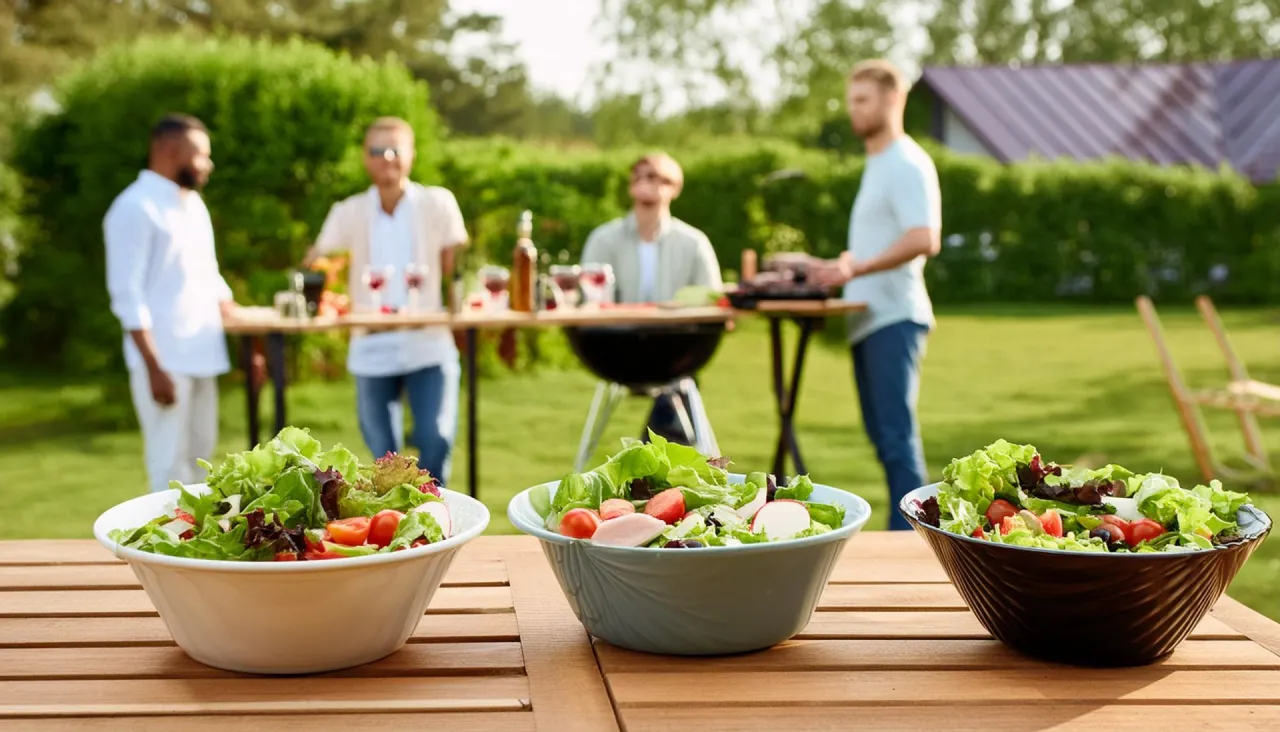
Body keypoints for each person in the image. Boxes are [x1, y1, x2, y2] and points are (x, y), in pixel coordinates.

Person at [808, 60, 942, 530]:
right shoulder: (879, 163)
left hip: (895, 317)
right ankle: (905, 534)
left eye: (862, 100)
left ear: (892, 99)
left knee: (896, 438)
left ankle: (912, 543)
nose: (853, 111)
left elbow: (925, 237)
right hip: (870, 319)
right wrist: (843, 265)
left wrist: (859, 266)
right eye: (850, 102)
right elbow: (877, 243)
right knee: (884, 438)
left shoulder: (905, 162)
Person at [303, 117, 468, 484]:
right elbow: (319, 264)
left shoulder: (438, 203)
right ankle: (398, 527)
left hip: (427, 341)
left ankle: (435, 516)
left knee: (437, 439)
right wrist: (329, 284)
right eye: (377, 150)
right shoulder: (347, 211)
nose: (387, 158)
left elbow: (456, 268)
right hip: (371, 344)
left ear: (411, 155)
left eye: (395, 149)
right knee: (384, 457)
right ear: (366, 158)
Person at [105, 114, 245, 494]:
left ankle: (199, 553)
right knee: (168, 467)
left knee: (203, 465)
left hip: (203, 353)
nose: (209, 164)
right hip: (165, 360)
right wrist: (154, 366)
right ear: (170, 151)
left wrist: (239, 316)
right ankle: (159, 552)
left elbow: (207, 273)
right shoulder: (135, 208)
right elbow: (126, 295)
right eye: (201, 155)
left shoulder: (194, 205)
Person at [581, 153, 723, 447]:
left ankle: (656, 442)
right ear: (631, 186)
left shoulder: (694, 243)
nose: (647, 183)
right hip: (616, 350)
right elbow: (588, 299)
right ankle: (660, 440)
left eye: (656, 177)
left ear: (675, 187)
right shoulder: (603, 239)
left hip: (675, 351)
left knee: (680, 383)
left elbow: (713, 300)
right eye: (640, 176)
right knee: (680, 390)